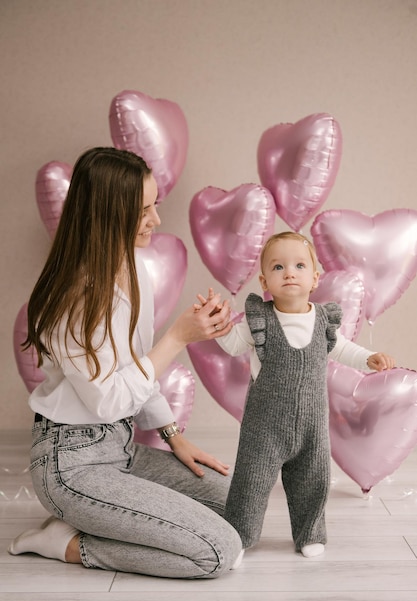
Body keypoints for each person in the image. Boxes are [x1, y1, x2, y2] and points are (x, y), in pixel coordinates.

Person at [8, 146, 243, 578]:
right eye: (143, 210)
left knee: (243, 510)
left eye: (156, 205)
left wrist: (174, 437)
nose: (156, 220)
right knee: (218, 552)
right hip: (71, 464)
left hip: (119, 448)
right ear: (104, 214)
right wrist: (178, 336)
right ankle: (66, 542)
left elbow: (135, 365)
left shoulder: (132, 268)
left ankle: (105, 518)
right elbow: (110, 401)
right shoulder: (73, 299)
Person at [197, 231, 395, 560]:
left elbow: (342, 348)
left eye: (299, 265)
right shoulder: (260, 319)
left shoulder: (322, 320)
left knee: (313, 480)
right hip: (263, 427)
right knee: (251, 482)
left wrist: (368, 358)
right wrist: (218, 323)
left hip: (312, 427)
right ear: (264, 280)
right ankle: (241, 534)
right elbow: (233, 344)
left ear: (315, 278)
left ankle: (309, 532)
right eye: (278, 267)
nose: (289, 272)